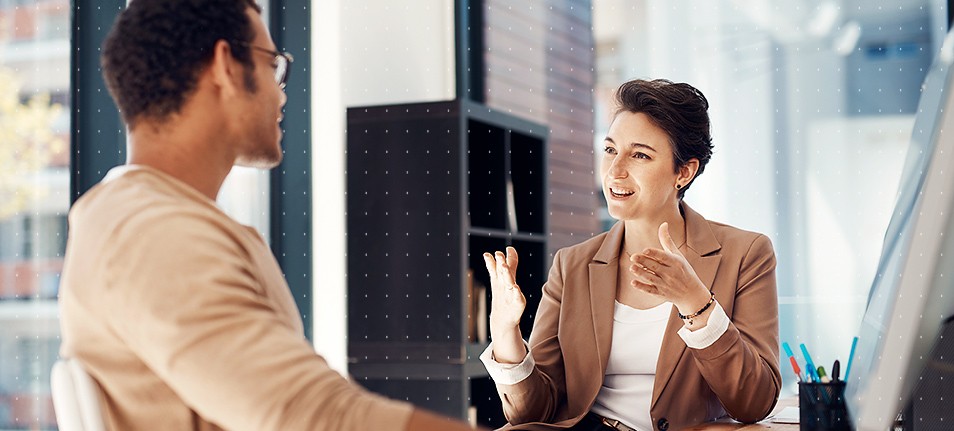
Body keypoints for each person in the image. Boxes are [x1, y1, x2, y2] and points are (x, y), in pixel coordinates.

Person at [58, 1, 482, 430]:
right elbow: (316, 419)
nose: (281, 92)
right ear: (225, 65)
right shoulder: (151, 232)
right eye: (272, 66)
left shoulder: (142, 216)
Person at [479, 79, 781, 431]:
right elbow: (533, 413)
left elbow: (755, 402)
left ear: (683, 172)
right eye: (610, 150)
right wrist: (504, 332)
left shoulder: (746, 254)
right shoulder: (571, 264)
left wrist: (696, 302)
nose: (615, 170)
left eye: (639, 155)